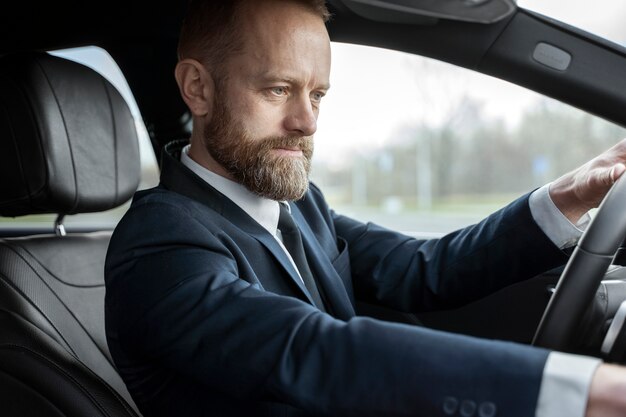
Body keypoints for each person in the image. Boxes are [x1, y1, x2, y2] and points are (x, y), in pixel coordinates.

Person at [104, 0, 626, 416]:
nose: (306, 122)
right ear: (198, 88)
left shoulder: (300, 204)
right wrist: (580, 393)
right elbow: (315, 350)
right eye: (278, 89)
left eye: (318, 95)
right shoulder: (158, 245)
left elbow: (425, 269)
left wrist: (573, 192)